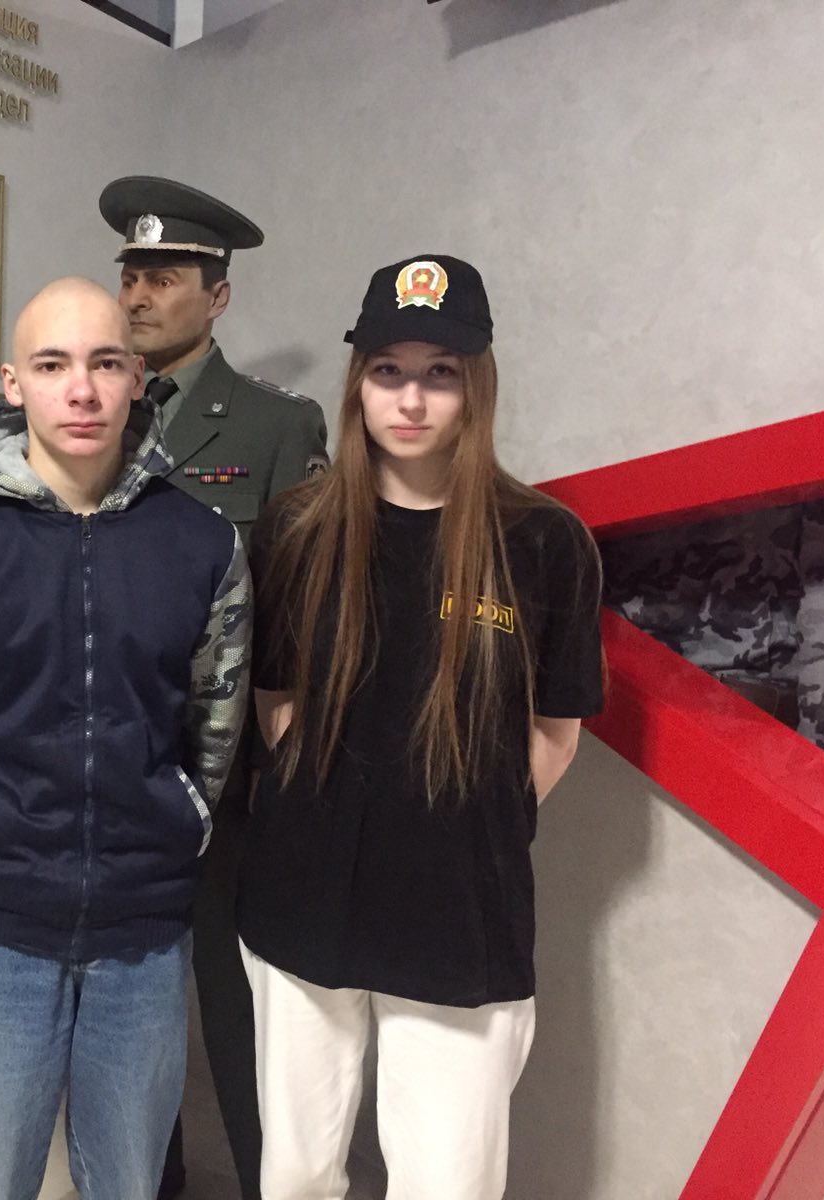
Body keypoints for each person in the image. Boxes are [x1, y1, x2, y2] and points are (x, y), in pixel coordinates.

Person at [0, 276, 251, 1200]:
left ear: (136, 379)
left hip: (142, 933)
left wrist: (177, 819)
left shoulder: (203, 544)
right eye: (52, 365)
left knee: (128, 1180)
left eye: (105, 363)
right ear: (13, 383)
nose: (81, 390)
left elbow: (215, 722)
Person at [238, 256, 603, 1200]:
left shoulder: (543, 542)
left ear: (477, 383)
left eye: (440, 372)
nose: (411, 399)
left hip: (459, 915)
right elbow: (274, 703)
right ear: (356, 383)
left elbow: (555, 731)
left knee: (446, 1181)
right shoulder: (295, 531)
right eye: (388, 370)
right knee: (296, 1173)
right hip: (304, 899)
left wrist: (461, 822)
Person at [100, 174, 330, 1199]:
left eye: (165, 277)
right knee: (127, 1018)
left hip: (228, 783)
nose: (139, 295)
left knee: (244, 1019)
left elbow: (307, 611)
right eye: (131, 275)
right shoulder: (90, 409)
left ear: (218, 295)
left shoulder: (274, 428)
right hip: (114, 770)